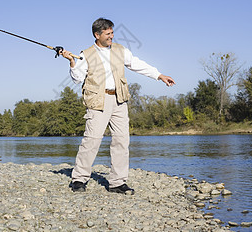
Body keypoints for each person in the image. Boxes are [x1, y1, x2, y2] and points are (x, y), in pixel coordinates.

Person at [61, 18, 175, 194]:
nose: (111, 36)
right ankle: (79, 179)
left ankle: (117, 182)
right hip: (98, 101)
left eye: (112, 33)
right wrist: (72, 62)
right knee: (91, 140)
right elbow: (77, 78)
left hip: (120, 99)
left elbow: (137, 64)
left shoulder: (121, 50)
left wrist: (159, 75)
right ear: (97, 35)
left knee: (122, 141)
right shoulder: (86, 54)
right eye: (108, 34)